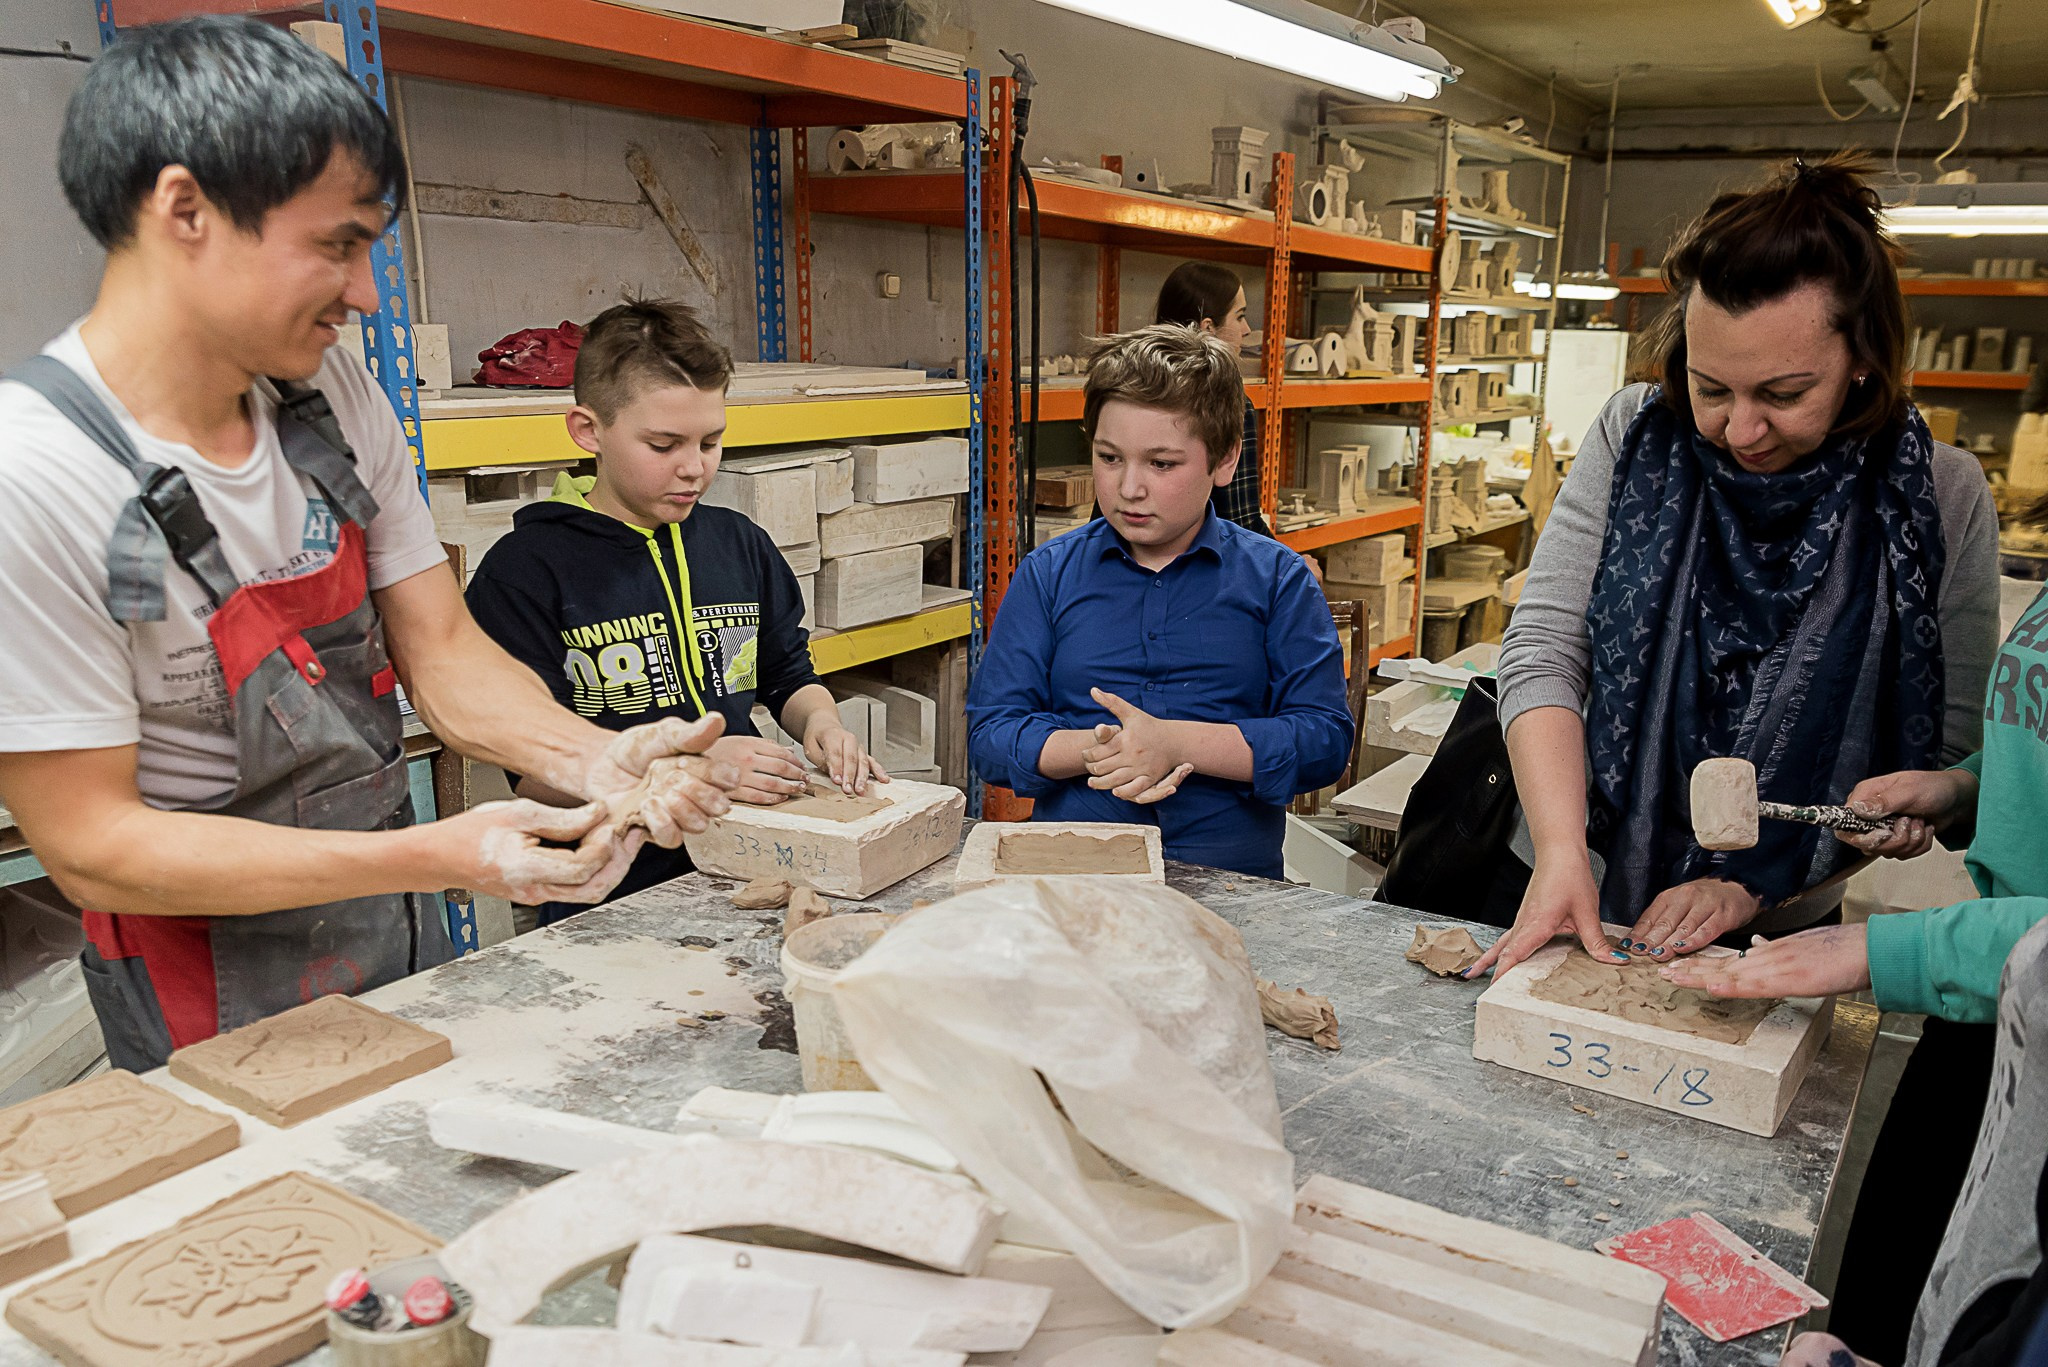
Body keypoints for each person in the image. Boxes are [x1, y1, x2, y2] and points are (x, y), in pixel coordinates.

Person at [0, 17, 736, 1072]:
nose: (367, 292)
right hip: (204, 983)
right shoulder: (37, 472)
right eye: (337, 243)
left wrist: (592, 756)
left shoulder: (329, 392)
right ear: (184, 209)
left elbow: (439, 646)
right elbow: (95, 845)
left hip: (391, 922)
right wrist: (433, 851)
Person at [1465, 153, 2000, 1363]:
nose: (1737, 428)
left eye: (1783, 392)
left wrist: (1885, 820)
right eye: (1711, 387)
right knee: (1520, 1209)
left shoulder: (1940, 498)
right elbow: (1542, 643)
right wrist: (1559, 848)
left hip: (1779, 932)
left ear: (1862, 355)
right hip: (1572, 873)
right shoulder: (1634, 437)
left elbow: (1962, 749)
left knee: (1694, 1255)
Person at [1668, 572, 2048, 1367]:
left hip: (2004, 980)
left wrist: (1886, 950)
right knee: (1883, 1305)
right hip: (1984, 1005)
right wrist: (1964, 786)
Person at [465, 297, 882, 923]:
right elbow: (532, 772)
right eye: (663, 444)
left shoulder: (737, 543)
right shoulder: (524, 572)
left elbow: (787, 673)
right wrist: (686, 767)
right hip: (607, 892)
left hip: (747, 862)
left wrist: (822, 725)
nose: (694, 468)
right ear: (589, 431)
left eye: (711, 441)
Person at [965, 324, 1353, 879]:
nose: (1129, 488)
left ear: (1224, 461)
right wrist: (1106, 748)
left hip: (1231, 881)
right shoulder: (1049, 575)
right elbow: (992, 735)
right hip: (1074, 872)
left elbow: (1324, 741)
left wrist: (1177, 743)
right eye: (1109, 457)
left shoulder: (1278, 580)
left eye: (1162, 464)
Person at [1154, 262, 1269, 537]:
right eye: (1239, 316)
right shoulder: (1228, 402)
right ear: (1208, 328)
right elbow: (1240, 523)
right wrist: (1293, 565)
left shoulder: (1130, 392)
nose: (1246, 330)